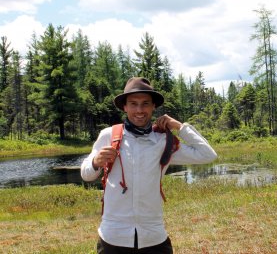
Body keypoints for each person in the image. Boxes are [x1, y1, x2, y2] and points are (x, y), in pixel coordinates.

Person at [81, 77, 217, 254]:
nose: (139, 110)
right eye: (133, 104)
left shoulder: (163, 140)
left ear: (154, 107)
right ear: (125, 106)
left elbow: (207, 155)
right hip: (114, 237)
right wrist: (95, 162)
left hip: (153, 236)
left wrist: (179, 126)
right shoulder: (109, 135)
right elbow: (86, 174)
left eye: (145, 104)